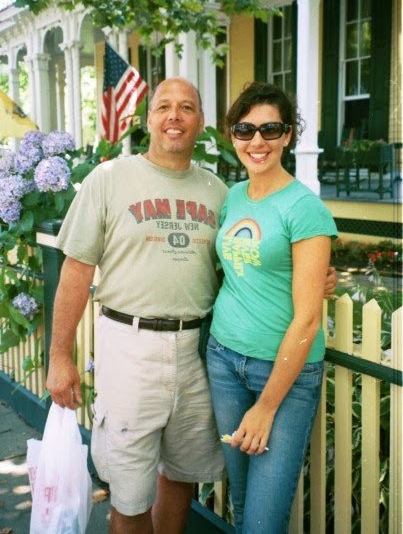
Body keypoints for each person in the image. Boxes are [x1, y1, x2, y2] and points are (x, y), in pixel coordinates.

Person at [46, 76, 337, 533]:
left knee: (182, 477)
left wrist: (311, 275)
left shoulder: (219, 191)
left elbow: (239, 263)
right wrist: (59, 355)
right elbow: (76, 271)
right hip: (132, 347)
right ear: (147, 119)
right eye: (164, 106)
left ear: (201, 123)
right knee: (129, 495)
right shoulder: (110, 179)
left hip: (198, 353)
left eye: (186, 107)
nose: (175, 116)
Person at [206, 82, 338, 533]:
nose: (257, 141)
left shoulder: (304, 208)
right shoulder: (233, 197)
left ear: (287, 136)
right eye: (245, 130)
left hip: (282, 375)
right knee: (243, 504)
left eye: (270, 129)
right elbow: (234, 269)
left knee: (262, 522)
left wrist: (266, 406)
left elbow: (308, 318)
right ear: (233, 136)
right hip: (223, 359)